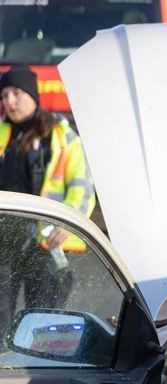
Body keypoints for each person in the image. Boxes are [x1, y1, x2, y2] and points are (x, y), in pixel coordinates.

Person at [0, 66, 95, 335]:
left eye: (16, 93)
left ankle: (38, 372)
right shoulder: (2, 132)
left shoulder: (63, 138)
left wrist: (68, 224)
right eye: (4, 95)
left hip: (46, 241)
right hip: (5, 239)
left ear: (33, 95)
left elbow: (82, 188)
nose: (9, 101)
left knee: (43, 318)